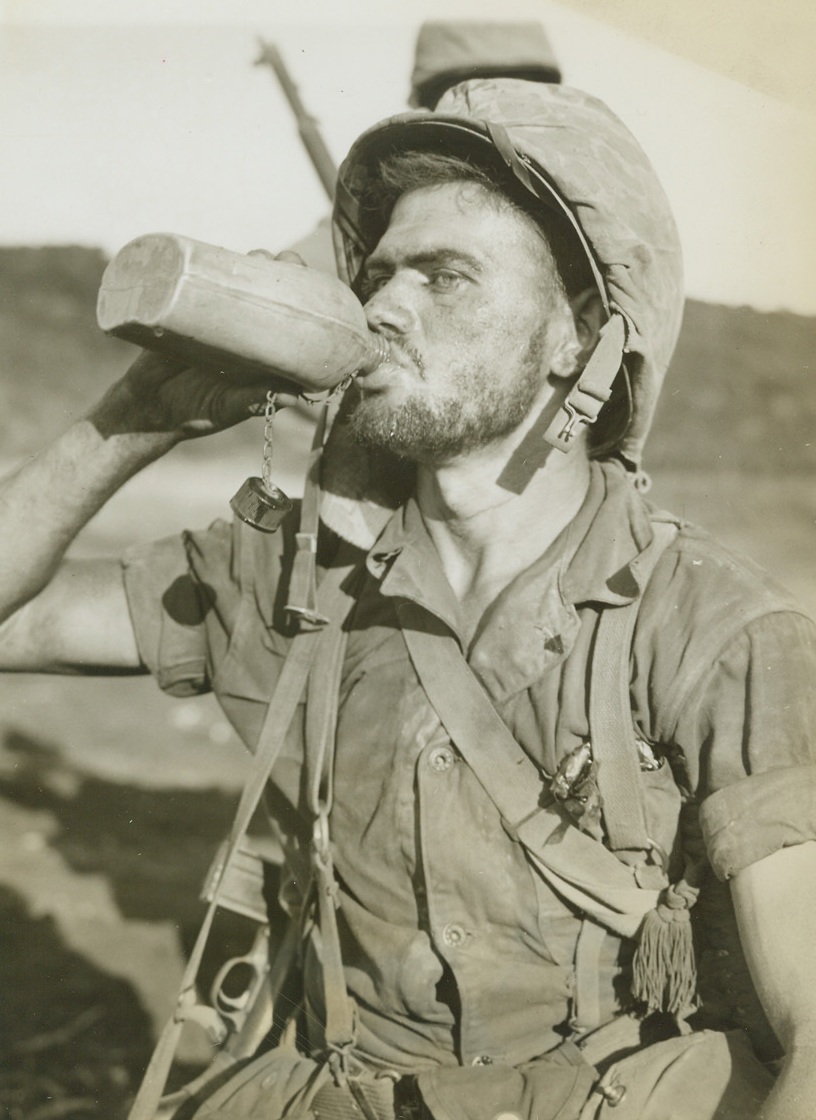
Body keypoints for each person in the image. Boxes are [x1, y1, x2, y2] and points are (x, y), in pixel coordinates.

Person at [1, 79, 815, 1120]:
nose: (382, 305)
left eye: (446, 275)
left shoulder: (714, 631)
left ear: (582, 340)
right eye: (379, 274)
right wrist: (129, 421)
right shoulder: (291, 583)